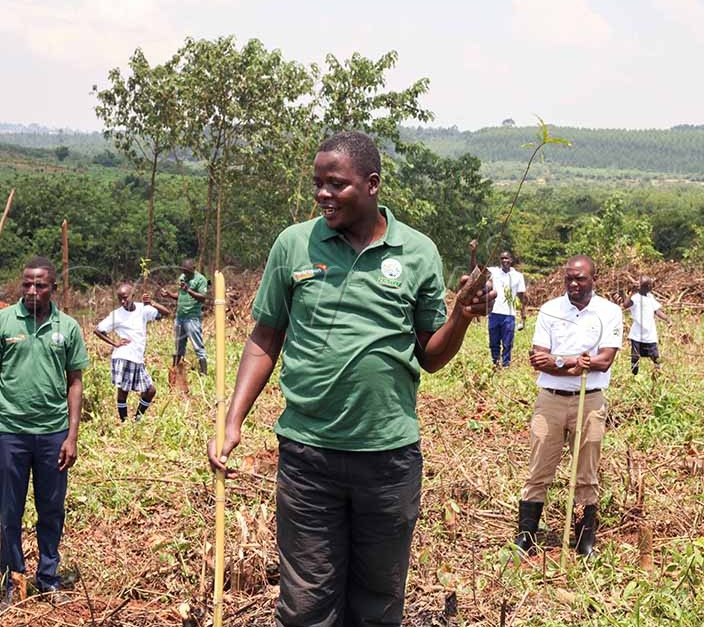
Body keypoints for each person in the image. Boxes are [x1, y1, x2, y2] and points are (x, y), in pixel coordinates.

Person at [207, 131, 493, 626]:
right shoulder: (294, 245)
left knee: (378, 602)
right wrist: (232, 421)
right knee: (307, 604)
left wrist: (462, 317)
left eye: (335, 185)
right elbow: (265, 336)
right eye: (318, 184)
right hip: (307, 454)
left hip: (388, 459)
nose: (322, 195)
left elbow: (430, 354)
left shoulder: (418, 253)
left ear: (373, 184)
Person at [0, 257, 89, 608]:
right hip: (10, 432)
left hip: (53, 433)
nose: (33, 291)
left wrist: (72, 436)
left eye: (41, 285)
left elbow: (75, 382)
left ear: (52, 287)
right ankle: (13, 581)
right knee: (10, 510)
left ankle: (48, 576)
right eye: (27, 284)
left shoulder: (68, 327)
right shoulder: (2, 322)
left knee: (51, 509)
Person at [518, 255, 623, 558]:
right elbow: (539, 359)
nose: (574, 284)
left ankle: (584, 540)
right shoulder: (550, 310)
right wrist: (574, 362)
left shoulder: (610, 312)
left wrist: (558, 361)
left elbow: (604, 361)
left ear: (594, 279)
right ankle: (526, 536)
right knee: (538, 470)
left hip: (590, 400)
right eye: (569, 279)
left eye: (580, 278)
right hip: (549, 400)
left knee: (586, 472)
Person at [93, 283, 169, 422]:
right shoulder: (116, 314)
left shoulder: (143, 309)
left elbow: (166, 314)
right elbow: (98, 330)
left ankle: (137, 418)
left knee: (150, 390)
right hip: (124, 356)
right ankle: (124, 421)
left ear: (133, 295)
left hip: (137, 358)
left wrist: (152, 303)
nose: (123, 301)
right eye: (120, 299)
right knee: (123, 391)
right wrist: (114, 343)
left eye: (125, 298)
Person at [160, 258, 208, 377]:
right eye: (183, 271)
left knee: (198, 346)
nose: (185, 274)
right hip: (180, 317)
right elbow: (180, 295)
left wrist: (189, 290)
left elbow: (203, 298)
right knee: (178, 346)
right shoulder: (182, 277)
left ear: (194, 269)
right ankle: (176, 372)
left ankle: (204, 373)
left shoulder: (200, 280)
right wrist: (169, 295)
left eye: (187, 271)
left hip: (192, 318)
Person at [622, 276, 671, 375]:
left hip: (649, 332)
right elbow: (626, 305)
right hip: (637, 333)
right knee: (635, 356)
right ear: (646, 287)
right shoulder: (635, 297)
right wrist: (632, 292)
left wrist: (668, 319)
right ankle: (634, 374)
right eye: (649, 285)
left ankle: (658, 372)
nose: (651, 287)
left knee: (655, 355)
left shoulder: (650, 297)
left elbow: (657, 311)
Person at [487, 251, 526, 367]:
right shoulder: (494, 272)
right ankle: (495, 363)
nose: (504, 261)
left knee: (507, 343)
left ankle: (506, 365)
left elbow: (522, 297)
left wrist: (523, 314)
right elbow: (475, 270)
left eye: (507, 258)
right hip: (494, 313)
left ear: (511, 260)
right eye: (502, 258)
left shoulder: (518, 276)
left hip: (509, 314)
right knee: (494, 342)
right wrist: (473, 252)